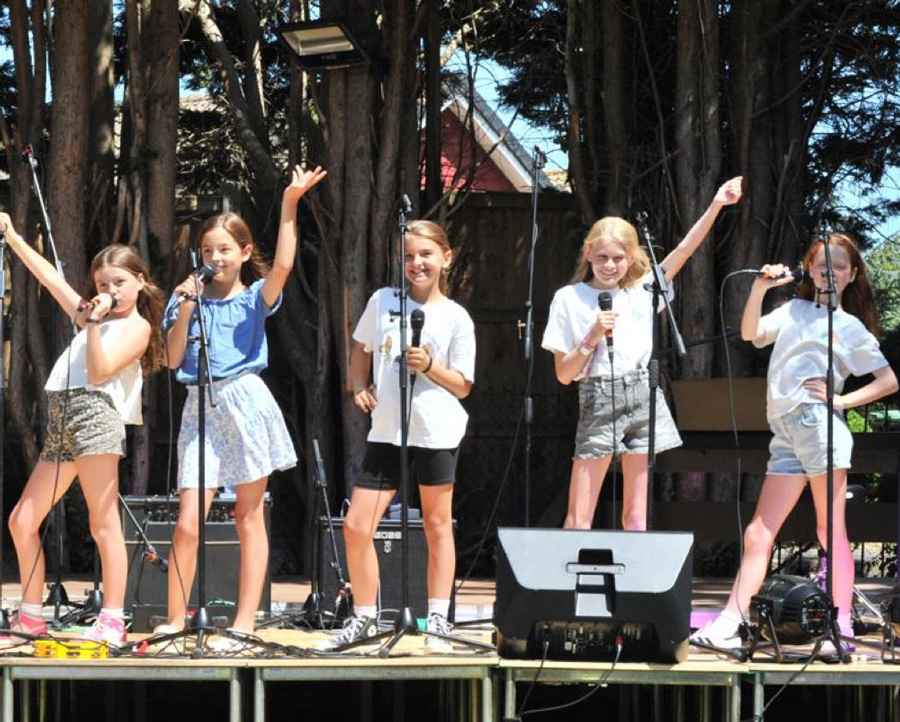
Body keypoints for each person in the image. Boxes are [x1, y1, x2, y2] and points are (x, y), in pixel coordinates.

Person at [692, 232, 898, 651]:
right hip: (785, 430)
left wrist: (842, 399)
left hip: (820, 426)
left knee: (829, 529)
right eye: (822, 264)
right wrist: (760, 288)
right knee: (758, 532)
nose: (830, 271)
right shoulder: (794, 309)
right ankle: (731, 621)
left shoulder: (849, 325)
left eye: (839, 266)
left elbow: (889, 380)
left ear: (852, 274)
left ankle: (837, 628)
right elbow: (750, 332)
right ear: (809, 268)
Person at [155, 165, 326, 645]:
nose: (215, 258)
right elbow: (171, 359)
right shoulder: (184, 299)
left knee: (248, 515)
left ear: (245, 252)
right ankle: (175, 616)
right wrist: (185, 307)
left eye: (225, 249)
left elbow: (286, 266)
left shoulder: (254, 298)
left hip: (245, 400)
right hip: (199, 407)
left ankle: (245, 621)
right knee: (188, 523)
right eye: (207, 251)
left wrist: (291, 201)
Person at [0, 212, 165, 646]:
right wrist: (14, 238)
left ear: (140, 283)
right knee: (22, 519)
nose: (108, 291)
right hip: (62, 416)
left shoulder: (137, 327)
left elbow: (99, 370)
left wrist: (92, 323)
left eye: (119, 283)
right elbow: (53, 279)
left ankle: (112, 618)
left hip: (96, 416)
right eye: (102, 284)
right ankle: (30, 616)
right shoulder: (93, 316)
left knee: (102, 521)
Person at [542, 177, 743, 531]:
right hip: (598, 393)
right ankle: (572, 585)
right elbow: (562, 373)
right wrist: (591, 336)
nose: (609, 265)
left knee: (636, 513)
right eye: (602, 257)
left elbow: (683, 251)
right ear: (588, 253)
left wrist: (715, 205)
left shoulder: (641, 290)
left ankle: (633, 583)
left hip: (641, 391)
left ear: (633, 257)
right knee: (580, 513)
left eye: (618, 258)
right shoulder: (569, 298)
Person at [325, 220, 475, 651]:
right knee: (357, 526)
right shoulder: (383, 301)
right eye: (408, 256)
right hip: (387, 431)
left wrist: (429, 366)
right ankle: (365, 617)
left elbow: (464, 385)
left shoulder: (456, 318)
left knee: (436, 524)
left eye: (426, 254)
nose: (416, 263)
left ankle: (439, 620)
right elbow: (360, 346)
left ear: (446, 258)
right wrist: (358, 386)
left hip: (436, 431)